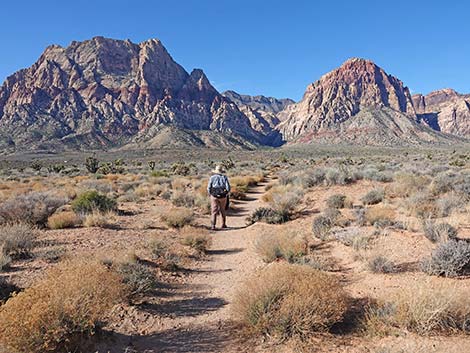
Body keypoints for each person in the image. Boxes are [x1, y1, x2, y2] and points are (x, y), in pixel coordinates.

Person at [207, 165, 231, 230]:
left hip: (214, 196)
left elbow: (209, 187)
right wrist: (226, 193)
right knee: (222, 210)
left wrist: (210, 194)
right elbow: (228, 187)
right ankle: (223, 224)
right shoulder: (224, 177)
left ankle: (213, 225)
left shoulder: (212, 177)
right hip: (223, 196)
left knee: (214, 211)